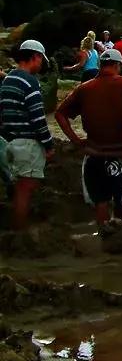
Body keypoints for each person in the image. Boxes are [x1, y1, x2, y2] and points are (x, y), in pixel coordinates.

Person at [54, 49, 122, 225]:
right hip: (119, 153)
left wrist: (75, 140)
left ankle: (102, 238)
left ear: (100, 65)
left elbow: (60, 113)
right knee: (120, 199)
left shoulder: (84, 88)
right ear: (117, 65)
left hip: (93, 154)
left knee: (100, 200)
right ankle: (119, 239)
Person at [0, 40, 54, 230]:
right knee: (26, 189)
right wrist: (48, 144)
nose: (41, 64)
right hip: (28, 143)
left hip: (11, 142)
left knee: (20, 188)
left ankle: (17, 228)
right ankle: (21, 234)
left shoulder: (8, 79)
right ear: (35, 56)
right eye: (41, 59)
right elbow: (38, 118)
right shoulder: (30, 82)